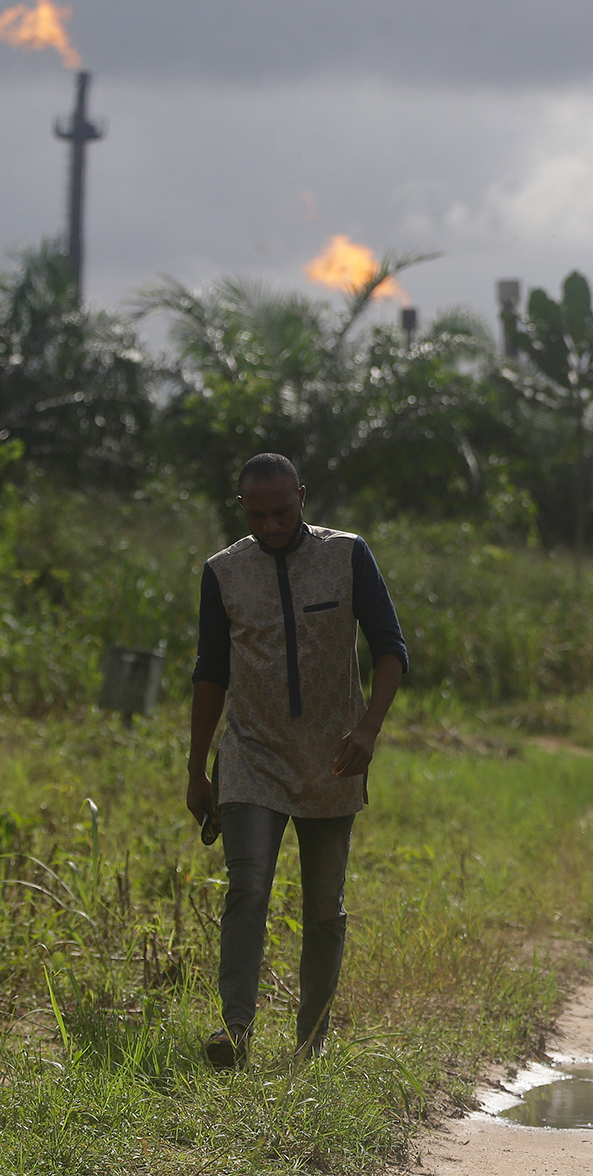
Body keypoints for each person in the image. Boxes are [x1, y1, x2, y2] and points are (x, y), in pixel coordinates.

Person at [185, 453, 408, 1066]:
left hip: (334, 757)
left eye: (282, 511)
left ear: (302, 497)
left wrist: (368, 729)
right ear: (241, 510)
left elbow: (391, 649)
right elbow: (210, 672)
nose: (271, 524)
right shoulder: (223, 573)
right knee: (247, 887)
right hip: (252, 755)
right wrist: (198, 765)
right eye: (257, 514)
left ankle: (311, 1042)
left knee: (322, 904)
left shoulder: (346, 555)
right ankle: (235, 1032)